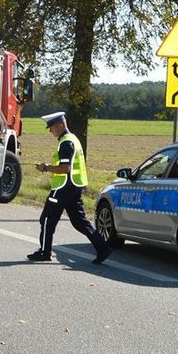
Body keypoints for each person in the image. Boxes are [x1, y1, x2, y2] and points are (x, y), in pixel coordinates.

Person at [27, 111, 110, 264]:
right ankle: (103, 248)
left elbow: (65, 168)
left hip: (62, 187)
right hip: (74, 186)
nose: (50, 130)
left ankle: (45, 252)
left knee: (46, 219)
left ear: (60, 125)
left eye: (51, 127)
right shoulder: (73, 139)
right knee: (79, 221)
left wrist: (46, 168)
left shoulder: (66, 142)